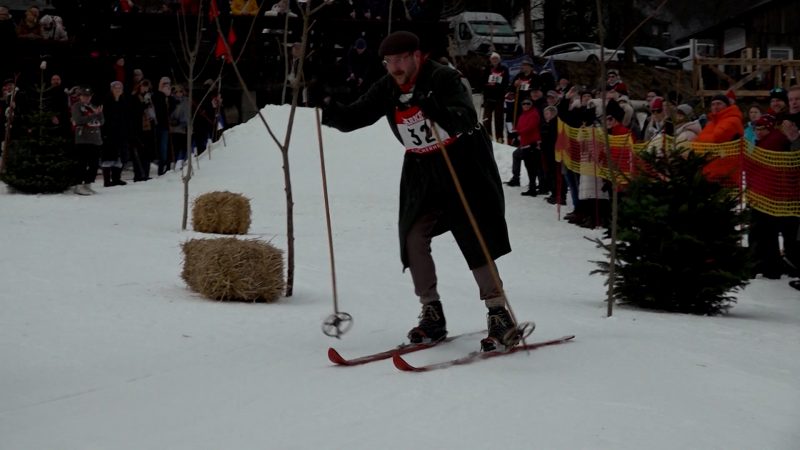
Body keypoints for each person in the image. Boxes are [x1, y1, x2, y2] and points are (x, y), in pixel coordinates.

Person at [319, 31, 520, 352]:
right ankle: (432, 312)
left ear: (417, 56)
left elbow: (466, 118)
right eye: (389, 62)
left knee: (474, 237)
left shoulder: (444, 77)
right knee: (412, 237)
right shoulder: (387, 86)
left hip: (460, 164)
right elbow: (357, 115)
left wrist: (432, 106)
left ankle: (499, 313)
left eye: (400, 60)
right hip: (421, 170)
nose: (395, 67)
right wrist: (329, 108)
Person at [71, 87, 104, 195]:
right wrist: (94, 115)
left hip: (95, 139)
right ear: (80, 96)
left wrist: (98, 114)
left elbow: (102, 121)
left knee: (94, 164)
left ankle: (88, 184)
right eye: (84, 96)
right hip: (83, 139)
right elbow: (78, 120)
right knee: (82, 163)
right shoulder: (77, 106)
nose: (86, 98)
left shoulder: (93, 106)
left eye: (88, 96)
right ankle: (79, 185)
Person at [509, 97, 542, 196]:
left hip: (532, 144)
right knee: (519, 157)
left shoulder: (534, 114)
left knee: (532, 166)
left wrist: (518, 132)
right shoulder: (522, 115)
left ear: (531, 105)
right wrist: (514, 132)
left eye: (528, 103)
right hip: (524, 144)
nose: (526, 105)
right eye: (524, 104)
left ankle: (534, 186)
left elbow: (531, 127)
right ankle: (518, 179)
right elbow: (519, 126)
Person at [101, 81, 129, 187]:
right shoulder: (107, 101)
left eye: (120, 88)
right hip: (109, 132)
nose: (118, 90)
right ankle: (107, 180)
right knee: (108, 155)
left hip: (121, 132)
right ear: (112, 89)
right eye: (116, 88)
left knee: (119, 156)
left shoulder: (123, 100)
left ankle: (117, 178)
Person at [481, 52, 508, 143]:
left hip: (499, 97)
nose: (494, 60)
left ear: (499, 60)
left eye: (496, 59)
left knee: (499, 118)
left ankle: (499, 136)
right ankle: (488, 134)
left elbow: (506, 82)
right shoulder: (487, 69)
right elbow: (483, 81)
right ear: (490, 60)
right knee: (486, 117)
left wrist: (497, 85)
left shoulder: (504, 69)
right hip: (488, 97)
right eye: (493, 59)